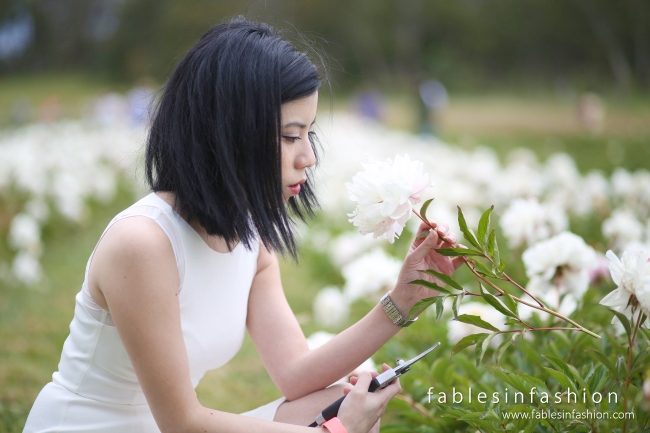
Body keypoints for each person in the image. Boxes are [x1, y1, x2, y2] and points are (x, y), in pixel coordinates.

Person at [23, 17, 461, 433]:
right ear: (230, 134)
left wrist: (402, 299)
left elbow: (295, 374)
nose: (307, 157)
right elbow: (184, 423)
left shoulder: (249, 240)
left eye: (310, 134)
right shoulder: (143, 243)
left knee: (337, 400)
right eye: (290, 136)